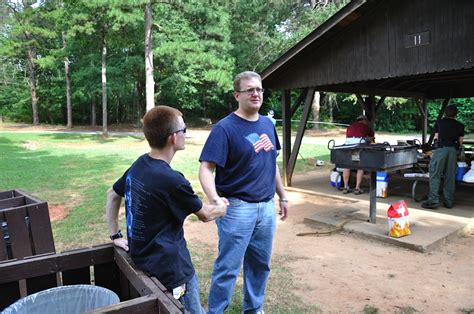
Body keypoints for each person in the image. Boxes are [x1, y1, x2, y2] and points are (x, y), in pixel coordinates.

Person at [106, 106, 227, 314]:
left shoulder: (140, 164)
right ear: (173, 138)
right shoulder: (173, 181)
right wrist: (222, 207)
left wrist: (115, 234)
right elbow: (206, 215)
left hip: (143, 260)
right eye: (184, 130)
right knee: (189, 308)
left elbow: (112, 194)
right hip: (172, 271)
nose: (186, 134)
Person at [199, 71, 289, 314]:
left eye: (259, 89)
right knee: (228, 267)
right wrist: (215, 199)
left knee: (260, 265)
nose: (256, 93)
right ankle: (216, 311)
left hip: (266, 207)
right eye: (250, 90)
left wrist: (283, 195)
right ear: (237, 94)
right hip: (237, 209)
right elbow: (206, 168)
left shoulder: (268, 124)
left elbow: (272, 164)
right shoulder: (225, 128)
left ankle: (254, 309)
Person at [422, 105, 465, 209]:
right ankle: (448, 202)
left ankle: (433, 200)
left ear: (445, 113)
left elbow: (436, 137)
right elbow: (460, 142)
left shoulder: (439, 123)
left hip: (441, 149)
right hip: (453, 151)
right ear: (456, 114)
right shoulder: (460, 125)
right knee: (450, 176)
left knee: (435, 174)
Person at [342, 115, 375, 195]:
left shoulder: (350, 126)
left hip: (348, 145)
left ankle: (346, 186)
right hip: (358, 146)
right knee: (360, 166)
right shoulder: (365, 127)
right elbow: (372, 138)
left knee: (347, 166)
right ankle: (357, 188)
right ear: (364, 120)